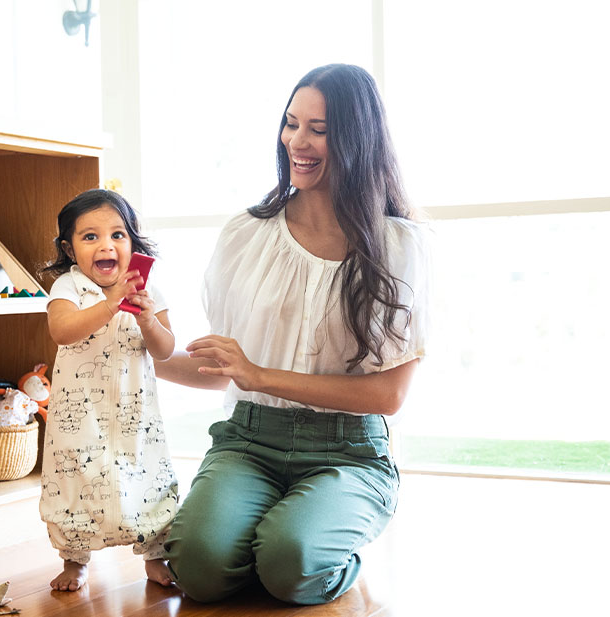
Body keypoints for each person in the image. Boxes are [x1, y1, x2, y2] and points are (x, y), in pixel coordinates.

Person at [156, 64, 431, 605]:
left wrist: (260, 375)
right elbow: (222, 371)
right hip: (250, 441)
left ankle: (301, 542)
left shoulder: (400, 247)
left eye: (319, 130)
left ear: (356, 138)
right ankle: (272, 538)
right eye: (290, 124)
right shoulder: (246, 235)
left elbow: (388, 396)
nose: (296, 142)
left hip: (349, 451)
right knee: (197, 568)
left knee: (292, 565)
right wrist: (128, 350)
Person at [38, 188, 179, 591]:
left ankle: (155, 554)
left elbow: (165, 350)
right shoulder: (69, 287)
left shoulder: (148, 291)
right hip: (79, 415)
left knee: (148, 477)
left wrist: (149, 319)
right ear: (70, 248)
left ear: (132, 241)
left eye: (118, 235)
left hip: (136, 416)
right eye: (90, 237)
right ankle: (74, 560)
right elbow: (62, 331)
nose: (107, 245)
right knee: (75, 480)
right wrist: (110, 303)